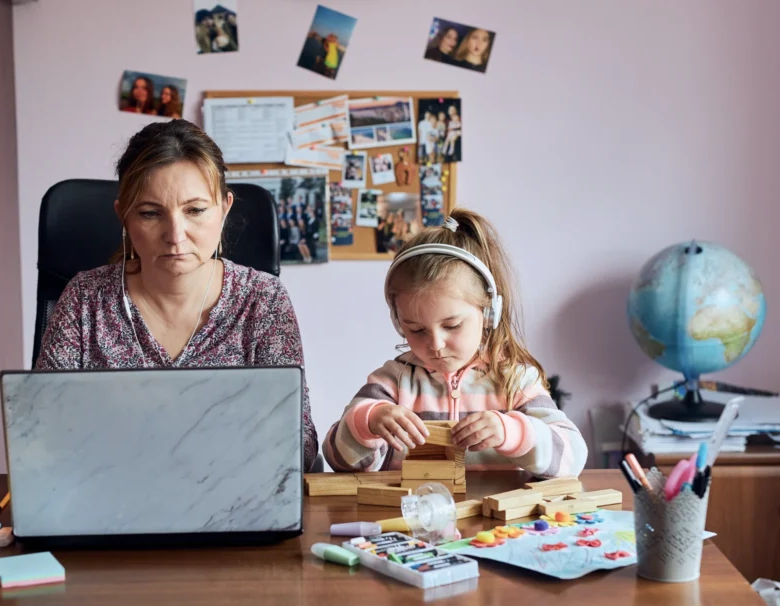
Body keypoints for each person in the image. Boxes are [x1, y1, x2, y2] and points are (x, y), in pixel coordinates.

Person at [36, 119, 319, 471]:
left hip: (233, 504)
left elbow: (299, 444)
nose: (175, 236)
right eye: (150, 213)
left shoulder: (263, 299)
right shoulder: (84, 299)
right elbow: (42, 433)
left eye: (195, 210)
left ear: (224, 208)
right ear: (123, 216)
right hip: (109, 502)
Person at [323, 208, 586, 477]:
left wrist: (514, 432)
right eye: (416, 330)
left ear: (488, 314)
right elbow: (337, 459)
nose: (436, 344)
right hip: (409, 518)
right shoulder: (393, 382)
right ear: (398, 321)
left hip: (496, 520)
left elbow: (573, 458)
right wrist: (367, 422)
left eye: (452, 326)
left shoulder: (516, 381)